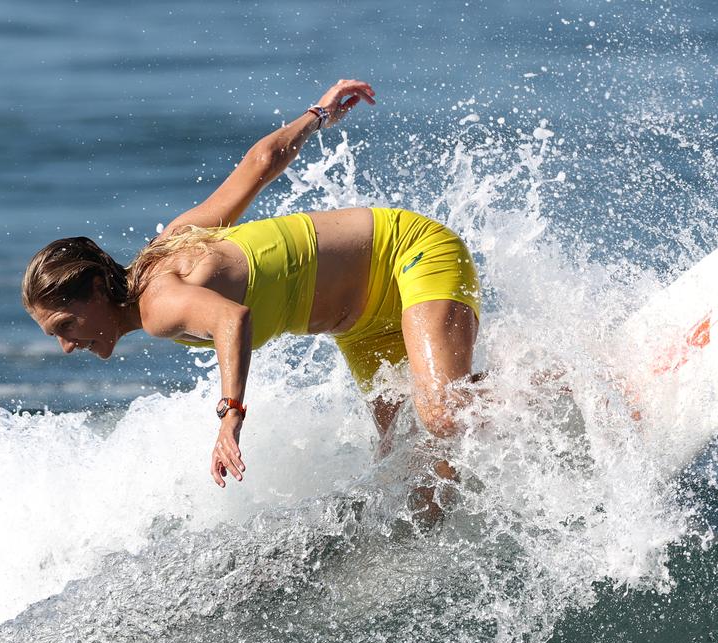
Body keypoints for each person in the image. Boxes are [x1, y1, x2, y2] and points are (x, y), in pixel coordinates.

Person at [23, 79, 481, 488]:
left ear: (98, 291)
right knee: (406, 471)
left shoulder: (159, 306)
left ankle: (549, 382)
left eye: (65, 325)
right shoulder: (165, 249)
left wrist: (230, 416)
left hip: (407, 253)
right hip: (361, 325)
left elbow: (231, 318)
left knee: (442, 416)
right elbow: (261, 162)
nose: (66, 345)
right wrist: (317, 115)